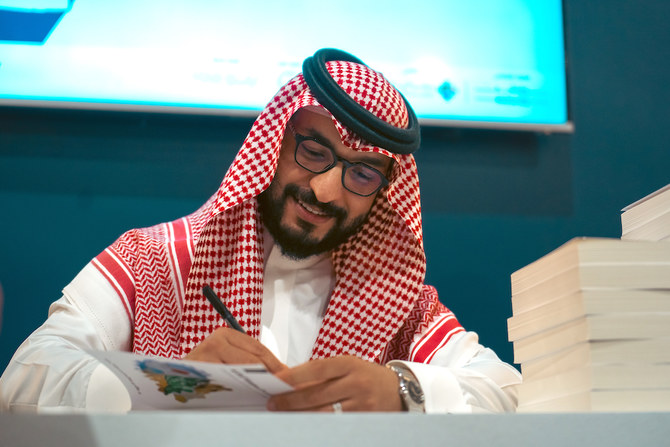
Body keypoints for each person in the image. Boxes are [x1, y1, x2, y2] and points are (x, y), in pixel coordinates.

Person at [0, 49, 521, 413]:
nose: (325, 191)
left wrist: (400, 389)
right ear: (274, 142)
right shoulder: (153, 261)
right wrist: (172, 385)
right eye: (314, 151)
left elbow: (508, 392)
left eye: (362, 173)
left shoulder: (398, 304)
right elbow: (25, 377)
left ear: (384, 191)